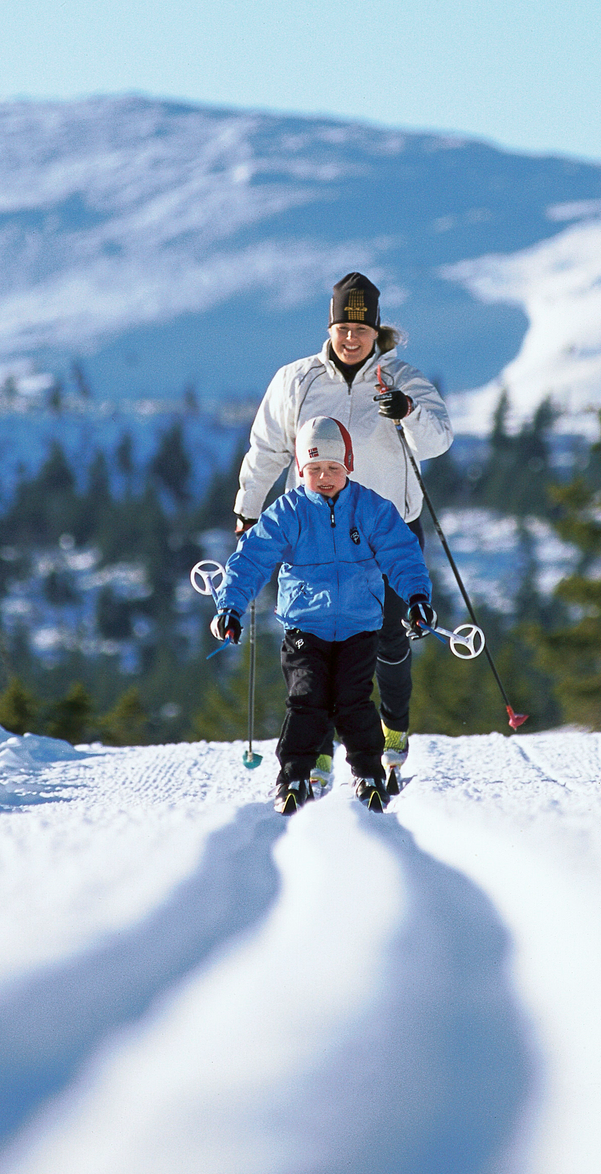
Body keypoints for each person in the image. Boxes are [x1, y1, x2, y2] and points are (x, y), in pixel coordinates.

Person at [234, 271, 452, 791]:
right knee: (324, 643)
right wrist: (247, 510)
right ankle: (323, 752)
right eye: (341, 326)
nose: (351, 338)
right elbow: (268, 450)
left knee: (389, 642)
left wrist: (408, 411)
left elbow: (439, 440)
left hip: (389, 529)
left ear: (377, 330)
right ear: (329, 326)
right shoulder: (296, 380)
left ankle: (393, 726)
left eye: (361, 328)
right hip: (314, 532)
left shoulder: (401, 377)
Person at [212, 416, 434, 813]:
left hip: (359, 626)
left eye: (333, 467)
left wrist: (417, 597)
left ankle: (368, 773)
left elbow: (401, 554)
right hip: (305, 626)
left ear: (348, 465)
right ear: (301, 471)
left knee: (354, 701)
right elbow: (252, 558)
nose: (325, 477)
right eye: (314, 469)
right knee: (307, 698)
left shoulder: (369, 508)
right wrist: (230, 606)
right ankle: (293, 774)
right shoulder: (289, 511)